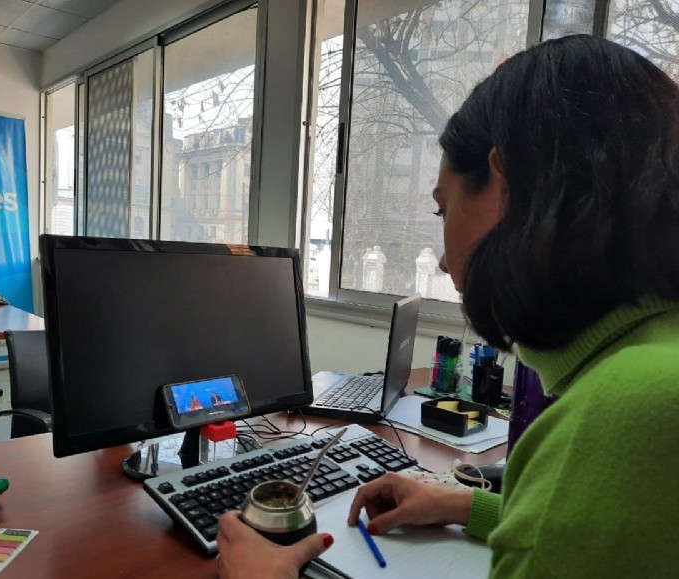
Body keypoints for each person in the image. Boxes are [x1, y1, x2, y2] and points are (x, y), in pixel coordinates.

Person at [216, 34, 679, 578]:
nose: (442, 263)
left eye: (443, 210)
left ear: (503, 185)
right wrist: (467, 504)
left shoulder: (630, 411)